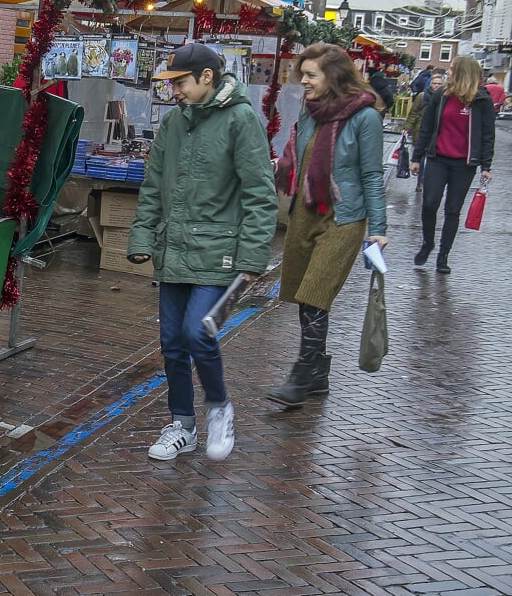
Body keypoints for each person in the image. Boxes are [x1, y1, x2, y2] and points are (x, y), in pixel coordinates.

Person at [126, 42, 277, 462]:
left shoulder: (241, 120)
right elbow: (154, 185)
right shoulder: (174, 122)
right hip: (173, 249)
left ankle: (219, 407)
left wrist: (251, 259)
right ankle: (183, 424)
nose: (172, 91)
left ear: (206, 77)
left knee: (198, 332)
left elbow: (260, 195)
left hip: (219, 252)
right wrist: (142, 239)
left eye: (179, 82)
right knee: (172, 342)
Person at [268, 43, 388, 409]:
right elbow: (299, 156)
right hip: (306, 211)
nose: (302, 81)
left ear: (333, 76)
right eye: (301, 74)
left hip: (344, 217)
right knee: (305, 294)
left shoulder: (365, 118)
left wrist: (378, 228)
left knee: (316, 291)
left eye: (310, 74)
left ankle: (302, 375)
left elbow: (370, 174)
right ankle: (319, 373)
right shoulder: (310, 111)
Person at [410, 56, 495, 274]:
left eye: (451, 69)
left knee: (452, 210)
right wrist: (417, 157)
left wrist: (486, 166)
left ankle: (443, 256)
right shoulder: (442, 95)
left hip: (464, 164)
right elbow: (427, 126)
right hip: (438, 158)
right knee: (429, 204)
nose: (447, 72)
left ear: (461, 72)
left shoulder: (482, 100)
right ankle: (428, 243)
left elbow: (487, 135)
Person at [403, 72, 445, 192]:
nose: (436, 86)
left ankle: (428, 180)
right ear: (430, 84)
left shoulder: (444, 97)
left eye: (439, 84)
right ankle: (420, 180)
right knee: (420, 157)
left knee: (431, 159)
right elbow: (413, 113)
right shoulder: (422, 96)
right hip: (421, 131)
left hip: (436, 134)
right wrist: (407, 127)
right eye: (434, 83)